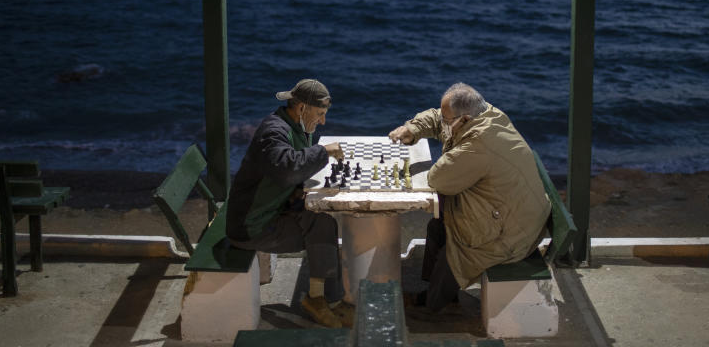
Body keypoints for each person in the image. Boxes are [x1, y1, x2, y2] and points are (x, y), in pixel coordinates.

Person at [388, 83, 550, 311]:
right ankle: (433, 292)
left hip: (512, 236)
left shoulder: (478, 144)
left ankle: (432, 308)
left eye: (448, 121)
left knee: (455, 249)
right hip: (514, 214)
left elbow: (438, 179)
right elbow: (438, 117)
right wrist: (413, 128)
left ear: (463, 119)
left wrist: (447, 140)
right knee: (437, 226)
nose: (443, 123)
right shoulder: (487, 113)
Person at [225, 79, 354, 328]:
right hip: (250, 226)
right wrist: (323, 152)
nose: (323, 121)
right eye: (320, 114)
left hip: (268, 213)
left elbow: (290, 173)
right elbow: (286, 169)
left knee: (323, 225)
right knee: (322, 232)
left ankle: (325, 298)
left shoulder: (296, 126)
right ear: (302, 108)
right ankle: (319, 300)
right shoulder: (274, 132)